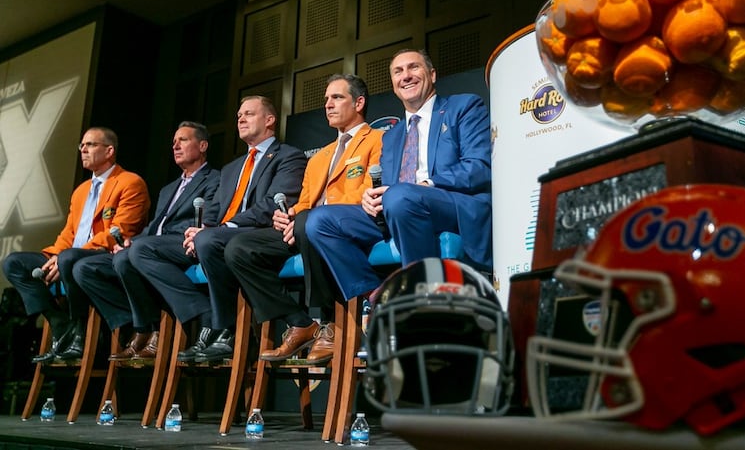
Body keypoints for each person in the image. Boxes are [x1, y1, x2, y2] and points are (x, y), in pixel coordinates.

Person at [306, 49, 492, 302]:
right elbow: (389, 186)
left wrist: (428, 183)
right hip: (398, 207)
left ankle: (419, 296)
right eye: (398, 71)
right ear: (393, 84)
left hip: (450, 203)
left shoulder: (463, 107)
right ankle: (376, 296)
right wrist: (369, 198)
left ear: (432, 75)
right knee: (320, 221)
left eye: (413, 68)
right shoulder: (391, 135)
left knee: (401, 196)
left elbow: (479, 166)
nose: (406, 76)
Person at [131, 96, 306, 362]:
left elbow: (271, 204)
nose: (241, 119)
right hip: (220, 235)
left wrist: (220, 229)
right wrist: (198, 229)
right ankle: (204, 313)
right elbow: (214, 210)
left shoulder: (288, 156)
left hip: (258, 234)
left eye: (249, 114)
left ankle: (224, 329)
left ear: (270, 120)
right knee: (141, 249)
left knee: (210, 240)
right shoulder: (231, 167)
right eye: (238, 116)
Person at [224, 74, 383, 364]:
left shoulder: (379, 139)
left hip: (347, 226)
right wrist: (288, 217)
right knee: (239, 249)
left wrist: (307, 217)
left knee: (313, 221)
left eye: (337, 98)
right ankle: (299, 322)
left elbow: (369, 190)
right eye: (325, 100)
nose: (328, 105)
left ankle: (328, 324)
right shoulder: (320, 156)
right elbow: (305, 201)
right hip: (305, 227)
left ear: (359, 102)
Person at [73, 121, 220, 361]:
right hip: (151, 247)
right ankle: (144, 327)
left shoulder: (215, 179)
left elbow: (209, 218)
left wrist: (142, 243)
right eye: (173, 142)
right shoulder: (168, 189)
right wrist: (130, 241)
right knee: (86, 267)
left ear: (202, 145)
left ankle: (194, 313)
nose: (175, 146)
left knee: (137, 251)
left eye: (183, 140)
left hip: (186, 244)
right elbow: (154, 227)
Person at [2, 127, 151, 363]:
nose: (83, 149)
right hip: (68, 256)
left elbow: (120, 231)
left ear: (109, 150)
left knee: (70, 258)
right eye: (82, 145)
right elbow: (69, 234)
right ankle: (60, 323)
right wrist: (55, 256)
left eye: (90, 145)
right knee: (13, 263)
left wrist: (66, 256)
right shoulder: (81, 191)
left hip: (103, 258)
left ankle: (80, 332)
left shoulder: (129, 182)